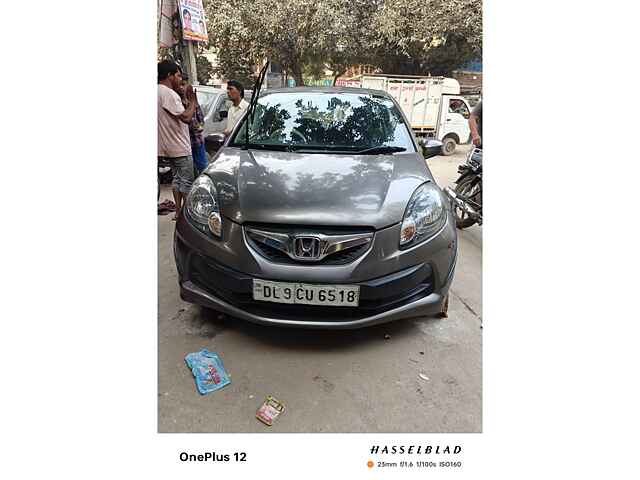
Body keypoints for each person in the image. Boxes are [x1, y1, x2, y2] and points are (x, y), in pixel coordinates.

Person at [158, 59, 197, 219]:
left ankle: (179, 212)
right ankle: (188, 217)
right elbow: (186, 117)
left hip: (167, 147)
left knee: (177, 180)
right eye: (178, 75)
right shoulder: (168, 93)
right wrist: (193, 101)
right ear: (169, 75)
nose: (180, 79)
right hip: (179, 147)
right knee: (186, 182)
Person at [176, 76, 207, 175]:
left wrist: (199, 126)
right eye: (180, 85)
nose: (182, 88)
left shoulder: (193, 101)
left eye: (184, 85)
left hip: (197, 141)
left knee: (202, 167)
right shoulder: (177, 102)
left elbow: (201, 119)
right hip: (184, 144)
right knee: (187, 172)